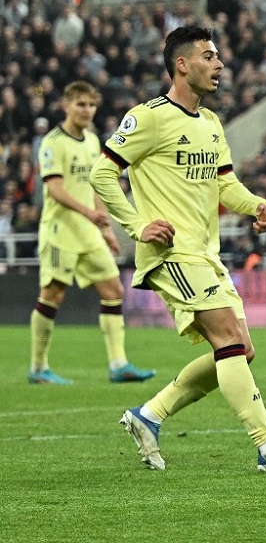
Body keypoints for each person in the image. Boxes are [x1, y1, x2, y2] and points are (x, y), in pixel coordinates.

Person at [90, 26, 266, 474]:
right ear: (182, 65)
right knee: (229, 341)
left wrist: (255, 203)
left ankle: (150, 414)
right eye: (208, 56)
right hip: (172, 254)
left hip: (205, 254)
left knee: (241, 350)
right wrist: (138, 226)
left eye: (217, 56)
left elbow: (225, 184)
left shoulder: (211, 123)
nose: (219, 64)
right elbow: (101, 174)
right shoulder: (148, 118)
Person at [29, 80, 156, 385]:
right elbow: (54, 189)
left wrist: (105, 228)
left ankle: (119, 365)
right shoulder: (53, 143)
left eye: (91, 105)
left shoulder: (91, 141)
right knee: (52, 295)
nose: (87, 110)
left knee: (113, 291)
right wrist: (88, 213)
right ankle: (38, 367)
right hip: (60, 232)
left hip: (88, 233)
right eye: (81, 104)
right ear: (66, 106)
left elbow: (96, 186)